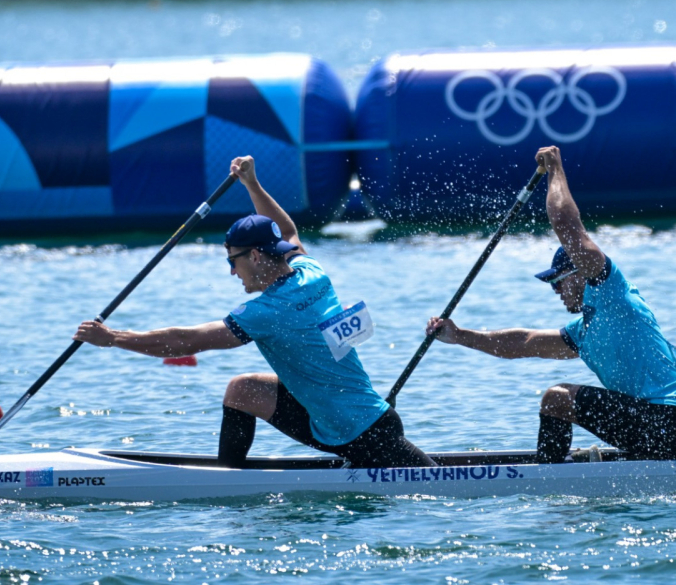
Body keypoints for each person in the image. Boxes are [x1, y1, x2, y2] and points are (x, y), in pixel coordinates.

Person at [75, 155, 434, 469]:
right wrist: (252, 183)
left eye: (233, 261)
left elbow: (186, 341)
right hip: (347, 415)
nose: (232, 272)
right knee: (243, 390)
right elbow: (288, 231)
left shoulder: (269, 311)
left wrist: (112, 339)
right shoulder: (312, 273)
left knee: (432, 483)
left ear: (257, 257)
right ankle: (227, 479)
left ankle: (227, 487)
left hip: (359, 432)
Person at [426, 145, 676, 463]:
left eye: (558, 281)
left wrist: (555, 169)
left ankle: (548, 479)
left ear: (581, 271)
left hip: (675, 420)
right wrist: (458, 336)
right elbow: (522, 343)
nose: (555, 291)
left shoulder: (610, 293)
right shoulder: (583, 332)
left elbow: (568, 228)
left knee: (557, 399)